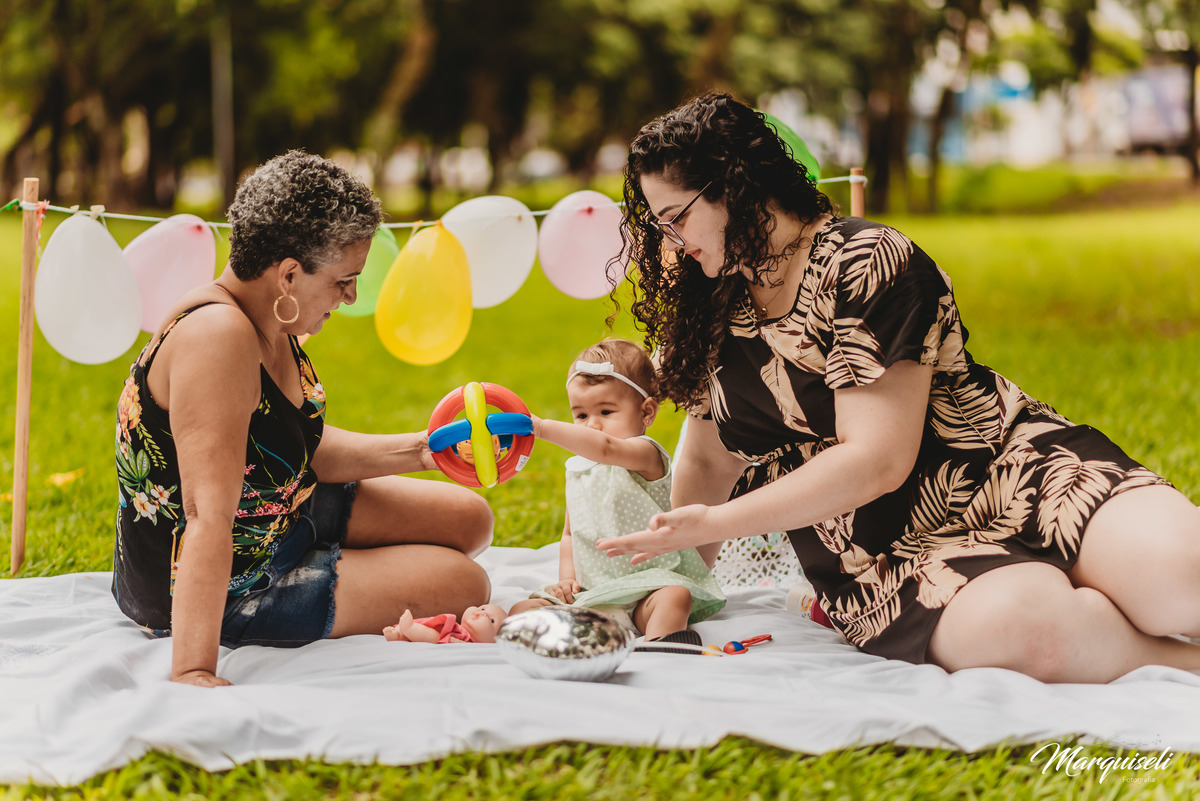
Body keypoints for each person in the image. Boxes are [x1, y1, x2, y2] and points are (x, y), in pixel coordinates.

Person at [595, 92, 1200, 683]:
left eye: (676, 218)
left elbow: (876, 460)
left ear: (734, 186)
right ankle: (1182, 666)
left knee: (1183, 573)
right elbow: (709, 459)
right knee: (1031, 630)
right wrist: (674, 588)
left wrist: (715, 524)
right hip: (879, 559)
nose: (672, 242)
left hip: (1007, 469)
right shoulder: (711, 302)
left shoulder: (867, 260)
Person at [113, 151, 494, 687]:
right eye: (344, 280)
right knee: (464, 584)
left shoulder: (268, 315)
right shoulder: (217, 338)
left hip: (279, 508)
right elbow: (206, 517)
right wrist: (193, 669)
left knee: (471, 519)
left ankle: (329, 552)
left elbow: (295, 443)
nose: (351, 296)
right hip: (219, 580)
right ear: (289, 274)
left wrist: (424, 450)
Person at [511, 339, 725, 641]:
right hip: (593, 593)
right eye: (581, 415)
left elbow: (606, 448)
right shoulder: (578, 469)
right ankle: (568, 639)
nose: (592, 426)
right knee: (522, 609)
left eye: (606, 411)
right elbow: (570, 535)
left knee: (675, 596)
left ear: (646, 412)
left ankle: (661, 645)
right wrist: (567, 580)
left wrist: (542, 428)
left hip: (646, 589)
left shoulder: (645, 454)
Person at [383, 605, 508, 643]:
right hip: (441, 630)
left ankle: (410, 629)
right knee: (428, 625)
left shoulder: (467, 641)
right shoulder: (459, 628)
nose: (483, 613)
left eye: (491, 620)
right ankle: (400, 634)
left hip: (441, 638)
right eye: (482, 608)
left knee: (435, 636)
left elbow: (449, 642)